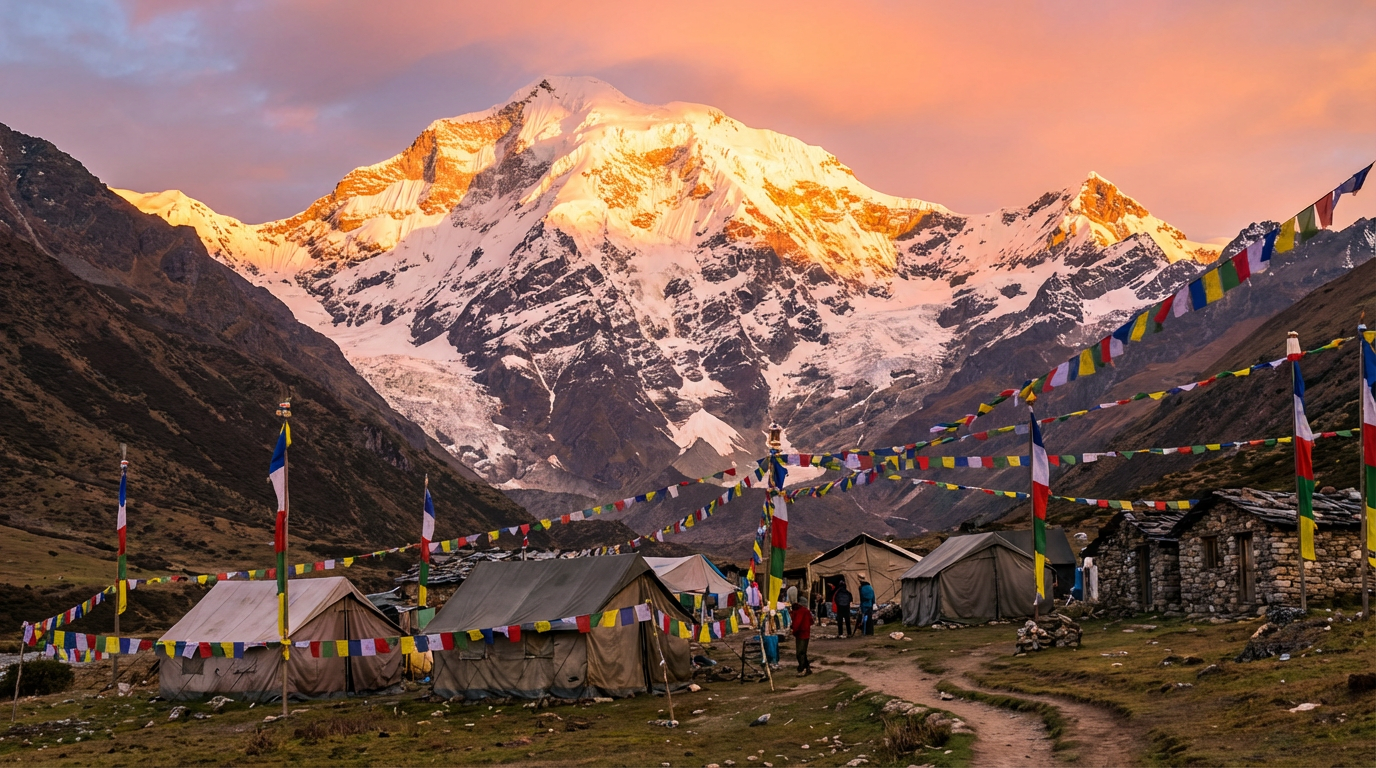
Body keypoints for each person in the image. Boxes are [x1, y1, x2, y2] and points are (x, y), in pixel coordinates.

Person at [790, 600, 813, 676]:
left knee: (800, 653)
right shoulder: (805, 610)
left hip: (801, 633)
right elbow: (811, 621)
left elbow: (797, 623)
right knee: (803, 652)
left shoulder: (799, 612)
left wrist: (793, 631)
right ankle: (807, 668)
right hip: (806, 632)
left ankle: (802, 669)